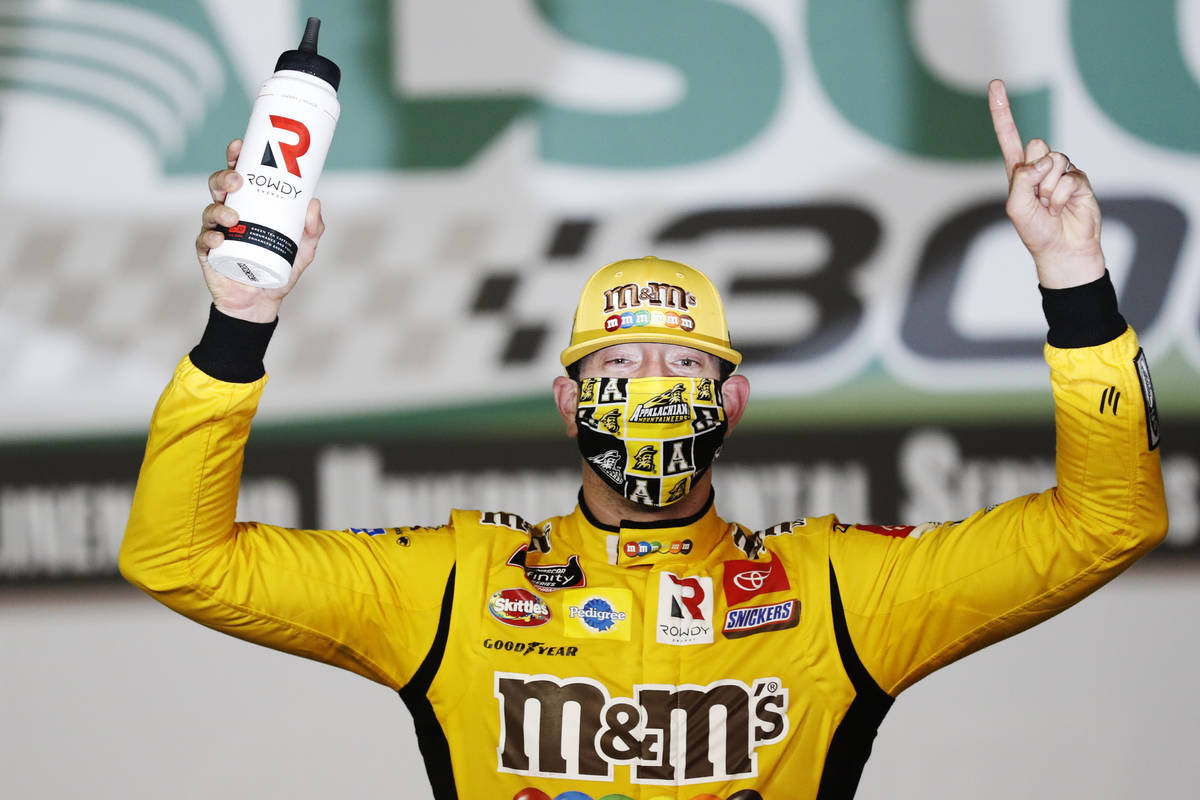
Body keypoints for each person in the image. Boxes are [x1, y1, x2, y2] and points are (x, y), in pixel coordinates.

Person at [120, 79, 1166, 800]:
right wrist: (239, 321)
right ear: (570, 404)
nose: (652, 392)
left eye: (683, 369)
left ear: (736, 399)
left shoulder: (843, 588)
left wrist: (1072, 274)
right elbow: (177, 555)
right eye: (619, 373)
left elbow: (1109, 521)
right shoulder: (455, 581)